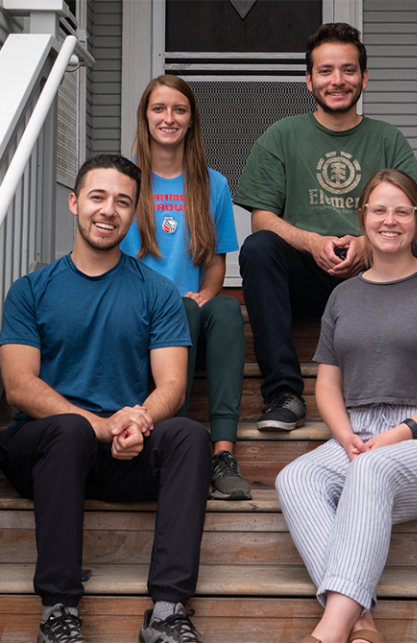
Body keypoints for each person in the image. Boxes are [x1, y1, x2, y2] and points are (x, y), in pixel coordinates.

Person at [0, 154, 211, 643]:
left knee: (187, 436)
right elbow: (19, 386)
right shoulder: (31, 290)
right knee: (69, 430)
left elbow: (173, 386)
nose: (108, 210)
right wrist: (99, 424)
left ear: (135, 215)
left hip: (123, 450)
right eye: (97, 197)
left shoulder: (157, 292)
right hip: (44, 452)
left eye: (123, 201)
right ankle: (59, 609)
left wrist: (137, 423)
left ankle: (167, 610)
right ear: (75, 203)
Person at [275, 169, 417, 643]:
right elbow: (327, 383)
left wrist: (402, 432)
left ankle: (327, 633)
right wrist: (343, 432)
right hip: (359, 433)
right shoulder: (344, 295)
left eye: (402, 211)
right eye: (380, 210)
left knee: (372, 471)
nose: (390, 220)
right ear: (362, 216)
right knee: (296, 477)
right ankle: (362, 624)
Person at [234, 22, 417, 431]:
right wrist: (311, 241)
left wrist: (370, 243)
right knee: (259, 248)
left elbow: (416, 212)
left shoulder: (388, 138)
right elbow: (262, 218)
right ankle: (284, 394)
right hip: (306, 278)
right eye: (326, 70)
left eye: (348, 70)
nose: (337, 80)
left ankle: (407, 391)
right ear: (308, 79)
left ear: (364, 77)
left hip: (378, 275)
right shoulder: (282, 136)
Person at [121, 75, 251, 501]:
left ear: (191, 120)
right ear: (145, 117)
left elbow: (215, 264)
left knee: (228, 310)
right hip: (139, 304)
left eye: (179, 109)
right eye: (159, 109)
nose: (169, 118)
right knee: (185, 311)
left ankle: (222, 453)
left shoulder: (212, 183)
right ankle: (168, 440)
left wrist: (209, 294)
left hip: (193, 303)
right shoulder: (127, 181)